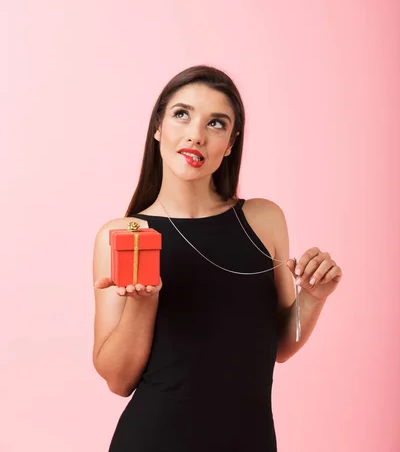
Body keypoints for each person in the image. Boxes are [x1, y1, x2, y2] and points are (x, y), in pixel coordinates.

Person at [92, 65, 342, 451]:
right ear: (158, 126)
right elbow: (117, 380)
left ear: (230, 143)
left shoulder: (263, 219)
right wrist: (143, 304)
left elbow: (280, 345)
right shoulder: (126, 234)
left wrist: (313, 297)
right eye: (182, 114)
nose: (195, 134)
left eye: (216, 124)